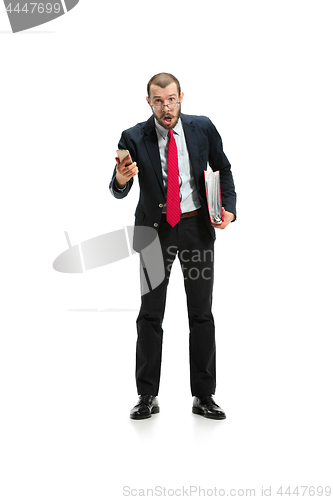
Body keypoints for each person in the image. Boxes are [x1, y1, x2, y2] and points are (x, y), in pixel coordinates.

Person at [110, 73, 236, 420]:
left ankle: (204, 395)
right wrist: (121, 179)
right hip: (155, 232)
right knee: (150, 313)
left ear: (182, 96)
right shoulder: (134, 137)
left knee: (201, 312)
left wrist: (229, 209)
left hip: (196, 227)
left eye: (172, 99)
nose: (167, 108)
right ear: (148, 102)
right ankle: (147, 395)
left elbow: (222, 168)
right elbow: (118, 186)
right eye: (158, 101)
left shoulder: (202, 128)